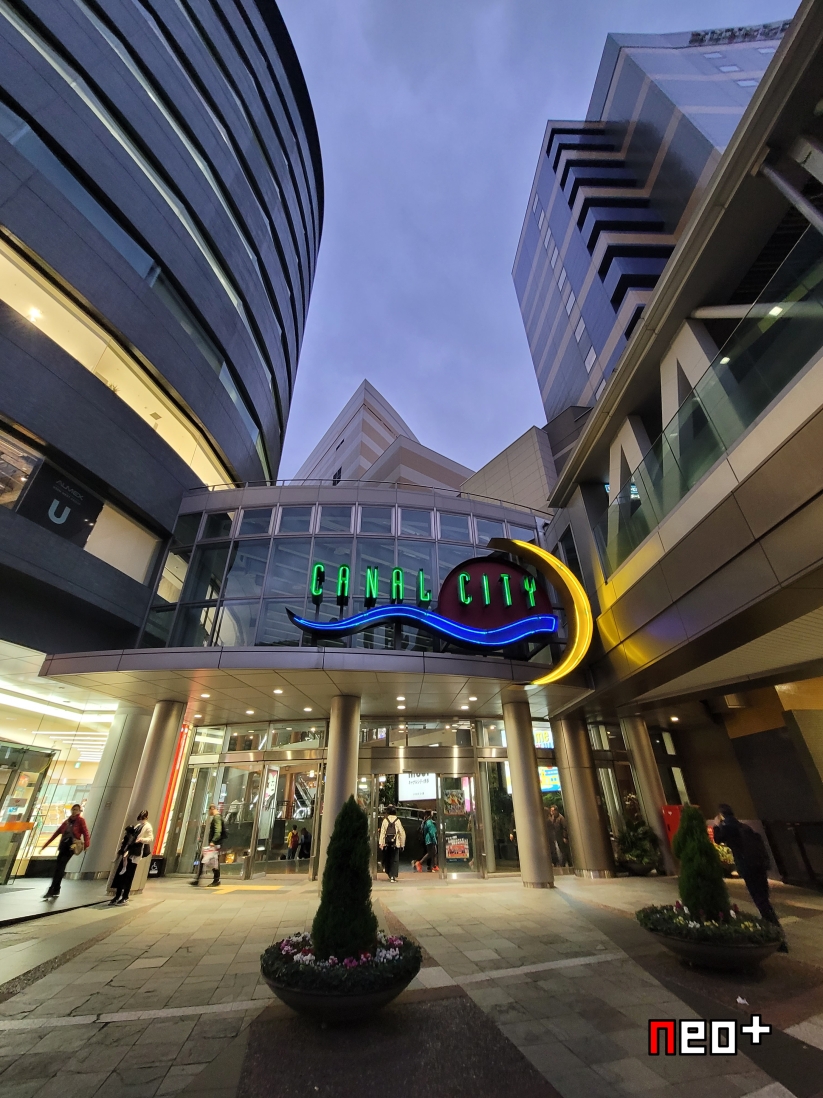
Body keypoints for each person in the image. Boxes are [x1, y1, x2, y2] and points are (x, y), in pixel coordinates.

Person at [713, 803, 787, 952]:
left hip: (748, 867)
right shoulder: (744, 827)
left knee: (760, 900)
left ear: (721, 815)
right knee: (764, 899)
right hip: (759, 865)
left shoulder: (727, 827)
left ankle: (777, 937)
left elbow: (717, 839)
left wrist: (716, 825)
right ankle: (775, 932)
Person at [41, 803, 90, 899]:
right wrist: (46, 845)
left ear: (79, 811)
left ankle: (52, 889)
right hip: (63, 845)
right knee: (58, 867)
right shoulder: (67, 822)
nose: (74, 811)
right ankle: (56, 889)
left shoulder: (80, 821)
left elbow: (86, 833)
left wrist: (86, 845)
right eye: (73, 809)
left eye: (76, 809)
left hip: (71, 846)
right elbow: (57, 833)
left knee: (60, 867)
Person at [110, 810, 153, 905]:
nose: (141, 819)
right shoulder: (138, 826)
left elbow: (150, 838)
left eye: (143, 817)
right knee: (121, 874)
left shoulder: (148, 826)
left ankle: (125, 896)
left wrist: (141, 839)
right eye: (141, 817)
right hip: (128, 850)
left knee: (129, 875)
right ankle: (117, 895)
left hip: (135, 853)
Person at [190, 804, 225, 887]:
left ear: (212, 809)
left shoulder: (217, 818)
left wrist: (213, 841)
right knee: (210, 861)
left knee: (209, 861)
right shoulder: (217, 817)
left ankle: (213, 880)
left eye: (209, 810)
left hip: (215, 844)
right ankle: (199, 879)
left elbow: (218, 831)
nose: (209, 812)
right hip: (215, 844)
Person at [378, 805, 405, 882]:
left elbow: (382, 833)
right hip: (395, 843)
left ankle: (389, 873)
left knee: (388, 858)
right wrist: (402, 844)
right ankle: (393, 876)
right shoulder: (397, 820)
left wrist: (381, 843)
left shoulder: (385, 820)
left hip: (386, 843)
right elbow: (402, 833)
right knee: (395, 859)